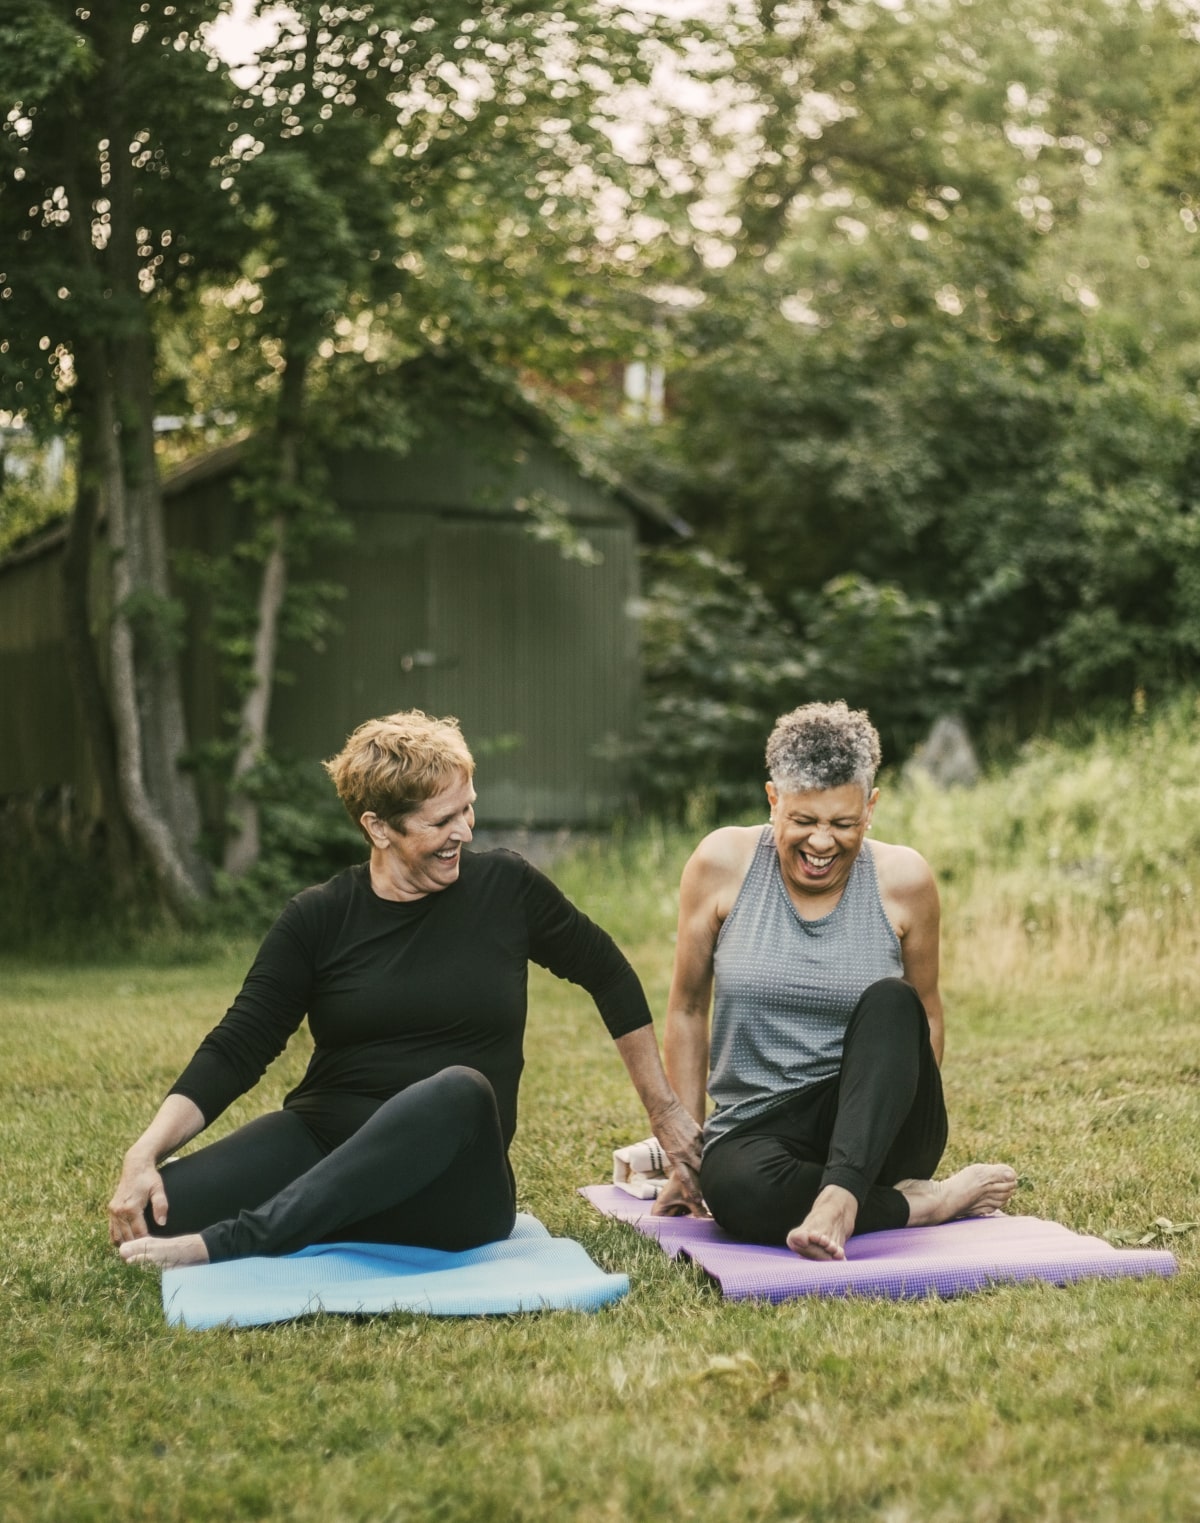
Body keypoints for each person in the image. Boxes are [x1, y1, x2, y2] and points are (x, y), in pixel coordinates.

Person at [110, 710, 702, 1268]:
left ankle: (246, 1239)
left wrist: (665, 1110)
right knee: (155, 1216)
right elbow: (238, 1045)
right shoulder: (319, 917)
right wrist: (145, 1153)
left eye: (467, 810)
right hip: (326, 1139)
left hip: (454, 1178)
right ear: (377, 827)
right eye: (441, 821)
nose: (464, 832)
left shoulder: (506, 888)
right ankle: (329, 1213)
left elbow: (608, 972)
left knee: (460, 1090)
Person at [657, 700, 1016, 1259]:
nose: (821, 843)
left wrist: (882, 1128)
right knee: (733, 1191)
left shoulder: (905, 881)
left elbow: (925, 1021)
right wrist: (684, 1158)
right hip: (761, 1128)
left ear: (870, 808)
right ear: (773, 800)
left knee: (895, 1003)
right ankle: (924, 1205)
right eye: (803, 821)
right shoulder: (720, 864)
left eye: (842, 824)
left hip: (874, 1125)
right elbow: (686, 1010)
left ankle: (844, 1195)